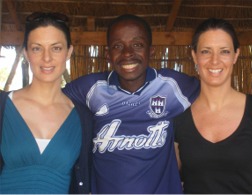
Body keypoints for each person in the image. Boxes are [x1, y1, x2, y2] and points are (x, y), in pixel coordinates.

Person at [63, 14, 200, 194]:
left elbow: (214, 96)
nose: (127, 53)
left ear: (151, 51)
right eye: (118, 46)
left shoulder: (172, 86)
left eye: (137, 45)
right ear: (108, 55)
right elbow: (50, 102)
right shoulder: (91, 89)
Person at [0, 12, 93, 194]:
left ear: (69, 52)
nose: (47, 58)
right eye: (37, 48)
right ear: (26, 53)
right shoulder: (3, 107)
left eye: (56, 48)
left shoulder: (83, 118)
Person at [174, 18, 252, 194]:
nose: (215, 61)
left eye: (224, 51)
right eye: (206, 51)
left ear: (236, 55)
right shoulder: (179, 115)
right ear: (194, 55)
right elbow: (169, 180)